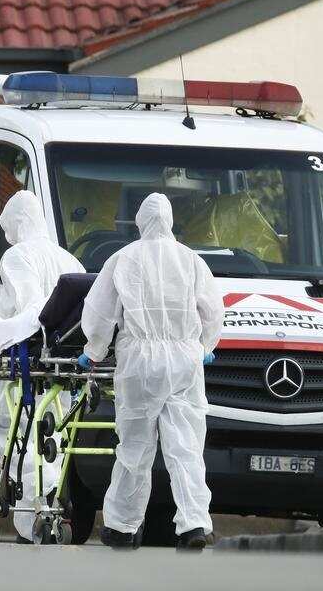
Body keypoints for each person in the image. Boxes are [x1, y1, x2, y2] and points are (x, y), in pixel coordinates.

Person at [78, 192, 224, 550]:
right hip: (184, 363)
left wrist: (92, 351)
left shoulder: (123, 258)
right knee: (186, 448)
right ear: (171, 221)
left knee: (135, 448)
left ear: (140, 222)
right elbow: (213, 310)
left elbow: (99, 313)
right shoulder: (191, 261)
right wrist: (206, 347)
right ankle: (194, 525)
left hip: (139, 363)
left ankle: (122, 527)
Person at [0, 190, 85, 543]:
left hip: (29, 361)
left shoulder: (15, 257)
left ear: (16, 224)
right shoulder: (71, 260)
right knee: (54, 435)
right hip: (64, 363)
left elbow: (28, 310)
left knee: (13, 429)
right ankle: (49, 500)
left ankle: (34, 513)